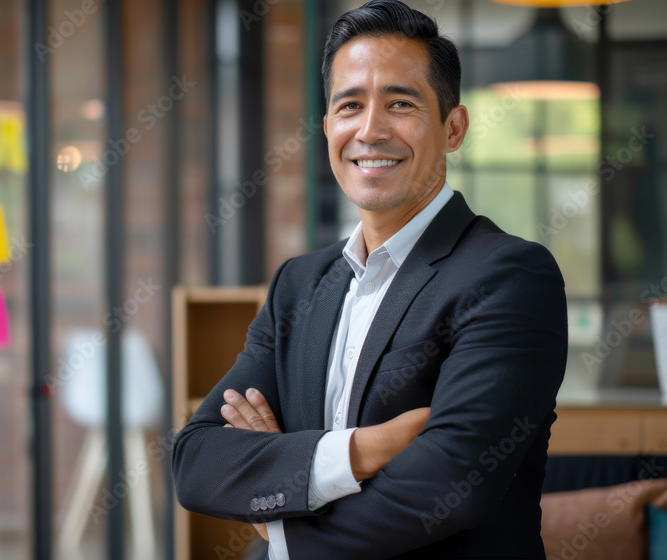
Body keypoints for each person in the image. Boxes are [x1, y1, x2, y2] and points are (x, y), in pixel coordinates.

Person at [171, 1, 569, 558]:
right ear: (329, 126)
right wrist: (364, 449)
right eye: (350, 105)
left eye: (400, 103)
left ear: (452, 128)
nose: (370, 130)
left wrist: (281, 505)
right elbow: (196, 463)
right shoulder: (299, 284)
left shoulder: (508, 275)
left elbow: (449, 487)